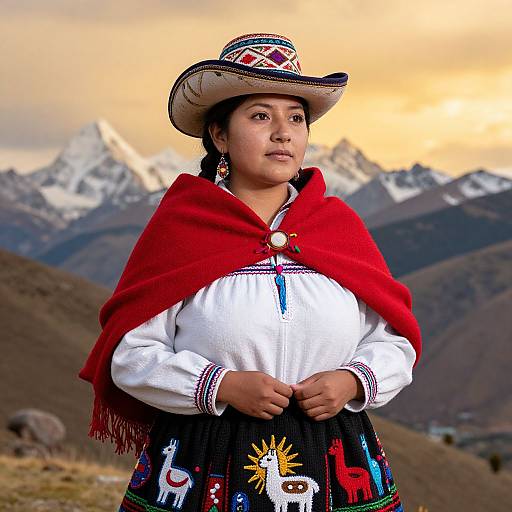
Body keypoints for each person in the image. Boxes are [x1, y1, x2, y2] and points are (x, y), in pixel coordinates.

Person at [79, 33, 421, 512]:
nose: (283, 132)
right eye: (261, 116)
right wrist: (221, 385)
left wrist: (353, 380)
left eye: (296, 118)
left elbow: (394, 341)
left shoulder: (338, 230)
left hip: (335, 453)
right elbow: (132, 355)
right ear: (219, 134)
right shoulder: (181, 232)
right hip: (207, 457)